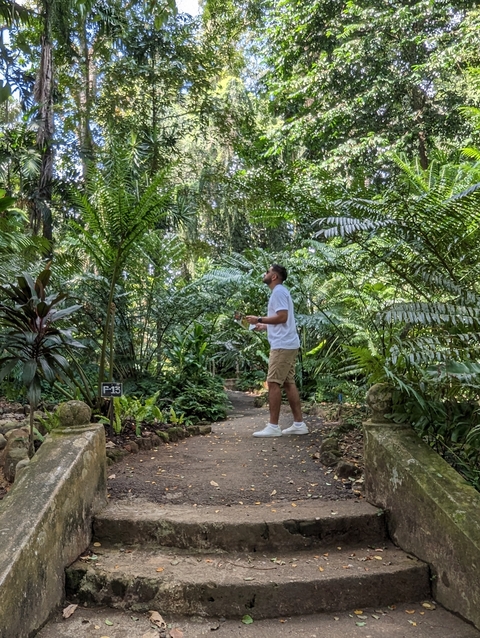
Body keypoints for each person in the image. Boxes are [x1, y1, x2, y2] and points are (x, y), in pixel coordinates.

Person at [245, 264, 308, 437]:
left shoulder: (278, 292)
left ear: (274, 277)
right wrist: (264, 326)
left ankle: (273, 427)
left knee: (273, 382)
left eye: (268, 271)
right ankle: (299, 424)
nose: (264, 274)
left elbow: (282, 317)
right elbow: (282, 321)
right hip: (287, 343)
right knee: (288, 383)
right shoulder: (280, 292)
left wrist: (258, 318)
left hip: (282, 345)